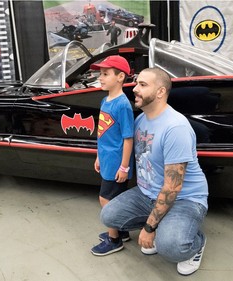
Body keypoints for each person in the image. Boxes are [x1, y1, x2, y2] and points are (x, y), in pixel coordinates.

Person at [99, 67, 209, 275]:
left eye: (143, 85)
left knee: (172, 248)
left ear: (160, 92)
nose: (135, 89)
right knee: (109, 215)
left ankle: (196, 243)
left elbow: (172, 187)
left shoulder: (175, 128)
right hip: (146, 194)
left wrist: (150, 228)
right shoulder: (140, 121)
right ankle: (163, 225)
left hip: (184, 199)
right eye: (136, 83)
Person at [89, 56, 135, 256]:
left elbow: (128, 138)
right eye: (100, 73)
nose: (100, 78)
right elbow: (103, 133)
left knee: (106, 200)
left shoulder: (122, 105)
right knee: (116, 198)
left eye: (105, 74)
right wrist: (99, 156)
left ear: (120, 77)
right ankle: (121, 231)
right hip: (106, 160)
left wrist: (124, 167)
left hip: (117, 163)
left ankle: (114, 239)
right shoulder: (104, 100)